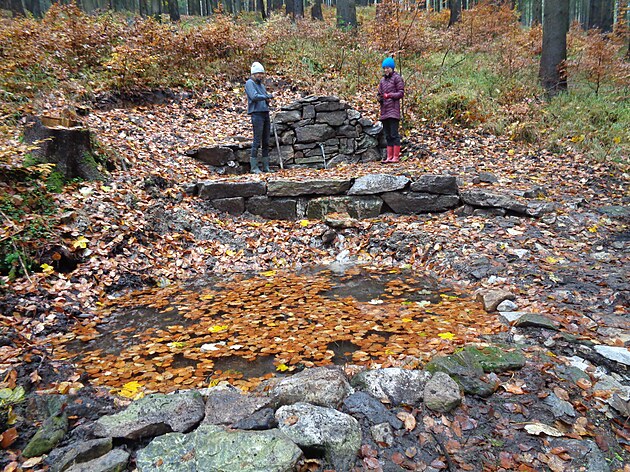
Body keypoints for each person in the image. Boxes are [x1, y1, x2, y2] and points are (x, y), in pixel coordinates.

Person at [245, 62, 274, 173]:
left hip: (265, 113)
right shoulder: (249, 83)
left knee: (266, 140)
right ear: (253, 74)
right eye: (258, 74)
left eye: (262, 74)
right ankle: (254, 167)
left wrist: (267, 100)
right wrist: (267, 96)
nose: (260, 76)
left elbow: (263, 97)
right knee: (257, 140)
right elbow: (254, 96)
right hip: (256, 114)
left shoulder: (261, 85)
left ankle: (266, 167)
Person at [377, 57, 405, 163]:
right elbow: (379, 93)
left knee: (394, 134)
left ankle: (396, 157)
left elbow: (401, 93)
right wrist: (380, 98)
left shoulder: (397, 78)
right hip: (384, 111)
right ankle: (389, 157)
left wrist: (390, 95)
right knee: (387, 135)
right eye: (384, 68)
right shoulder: (382, 80)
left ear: (392, 68)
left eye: (388, 68)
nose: (386, 70)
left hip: (393, 110)